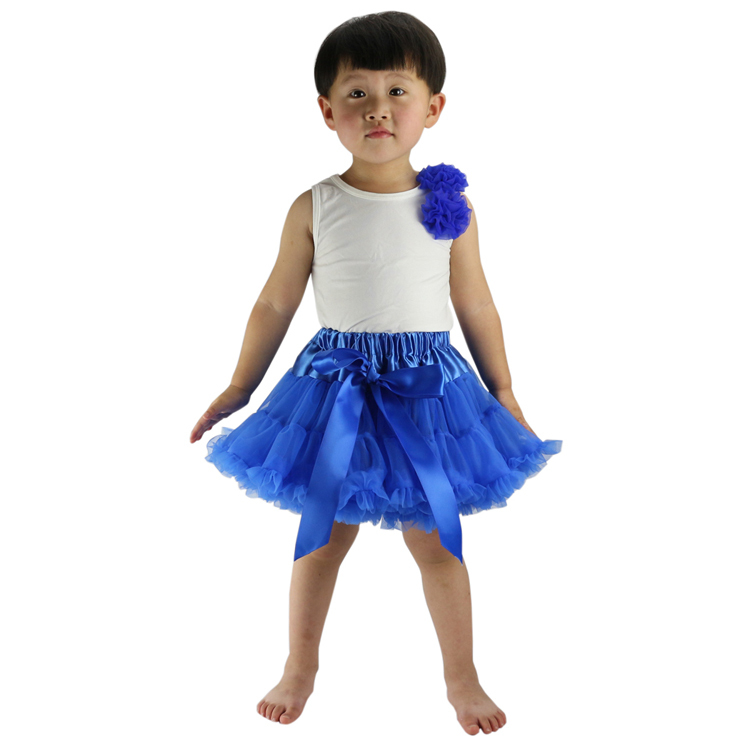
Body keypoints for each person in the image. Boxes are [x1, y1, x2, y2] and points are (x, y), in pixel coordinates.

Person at [189, 10, 562, 736]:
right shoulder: (314, 205)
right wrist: (239, 386)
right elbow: (274, 302)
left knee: (437, 541)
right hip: (334, 390)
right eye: (357, 93)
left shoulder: (449, 208)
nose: (378, 109)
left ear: (433, 108)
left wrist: (504, 391)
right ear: (327, 111)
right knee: (321, 538)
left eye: (398, 91)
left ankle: (462, 677)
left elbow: (476, 302)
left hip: (429, 393)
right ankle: (300, 665)